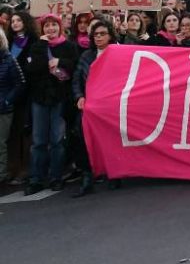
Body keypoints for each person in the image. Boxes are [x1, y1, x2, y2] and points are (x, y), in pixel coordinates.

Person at [23, 14, 80, 195]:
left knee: (57, 140)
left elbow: (75, 66)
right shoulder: (36, 47)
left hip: (60, 99)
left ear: (60, 27)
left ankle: (56, 177)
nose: (50, 29)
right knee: (38, 141)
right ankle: (36, 179)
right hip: (39, 99)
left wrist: (60, 62)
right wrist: (42, 46)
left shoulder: (69, 46)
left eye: (53, 25)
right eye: (46, 26)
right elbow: (32, 68)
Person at [70, 19, 114, 197]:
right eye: (95, 34)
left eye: (102, 34)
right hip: (89, 106)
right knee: (81, 137)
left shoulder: (117, 53)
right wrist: (79, 96)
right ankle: (87, 176)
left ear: (110, 35)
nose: (98, 37)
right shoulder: (86, 56)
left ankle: (113, 175)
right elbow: (76, 79)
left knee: (110, 139)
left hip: (110, 106)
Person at [0, 30, 25, 188]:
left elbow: (20, 82)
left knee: (0, 144)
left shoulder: (8, 59)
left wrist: (7, 100)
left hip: (3, 109)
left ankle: (1, 174)